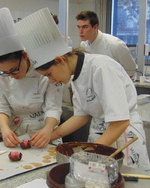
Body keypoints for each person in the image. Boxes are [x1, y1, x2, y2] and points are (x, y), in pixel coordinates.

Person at [15, 8, 150, 169]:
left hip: (125, 138)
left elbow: (120, 121)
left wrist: (88, 154)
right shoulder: (76, 74)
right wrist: (50, 134)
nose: (51, 81)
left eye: (50, 74)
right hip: (100, 135)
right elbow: (81, 116)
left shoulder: (100, 68)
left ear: (60, 60)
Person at [0, 8, 63, 148]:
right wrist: (5, 129)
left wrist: (48, 130)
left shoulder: (44, 69)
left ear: (24, 56)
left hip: (45, 134)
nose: (12, 76)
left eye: (14, 70)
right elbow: (0, 107)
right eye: (6, 72)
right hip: (16, 134)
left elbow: (53, 107)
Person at [76, 10, 137, 77]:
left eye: (85, 27)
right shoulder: (84, 45)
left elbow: (131, 69)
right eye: (79, 27)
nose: (80, 31)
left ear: (95, 27)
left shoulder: (115, 45)